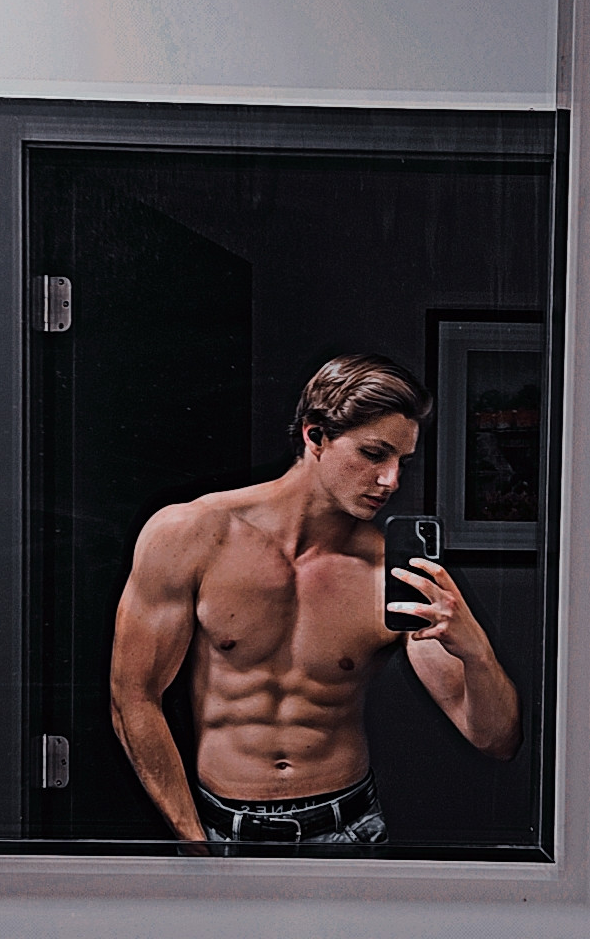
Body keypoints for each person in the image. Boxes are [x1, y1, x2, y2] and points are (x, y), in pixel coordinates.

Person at [110, 354, 522, 854]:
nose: (391, 480)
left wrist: (476, 650)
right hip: (218, 830)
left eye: (403, 462)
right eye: (374, 454)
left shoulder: (392, 573)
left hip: (348, 831)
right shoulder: (191, 534)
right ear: (315, 436)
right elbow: (134, 696)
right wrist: (194, 840)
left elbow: (494, 739)